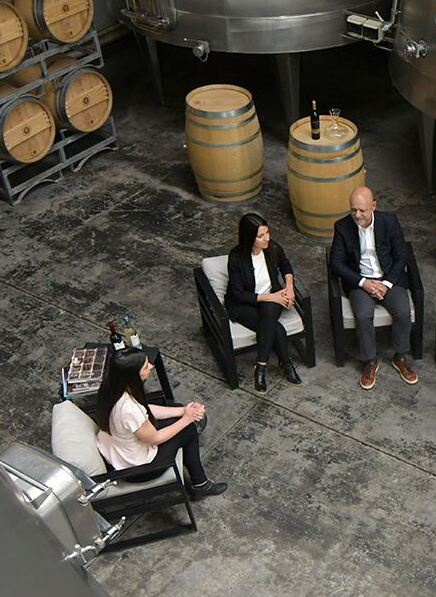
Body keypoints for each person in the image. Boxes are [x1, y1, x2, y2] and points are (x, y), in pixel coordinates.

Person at [94, 347, 226, 498]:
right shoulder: (127, 409)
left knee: (176, 410)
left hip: (120, 450)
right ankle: (201, 484)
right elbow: (154, 438)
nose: (151, 366)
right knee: (189, 429)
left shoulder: (111, 388)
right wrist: (187, 419)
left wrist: (182, 411)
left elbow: (145, 409)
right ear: (133, 375)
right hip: (137, 469)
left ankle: (198, 479)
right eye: (145, 366)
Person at [329, 186, 419, 390]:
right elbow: (336, 263)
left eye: (362, 210)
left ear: (374, 206)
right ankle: (370, 361)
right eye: (353, 210)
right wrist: (364, 283)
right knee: (362, 315)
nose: (357, 215)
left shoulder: (389, 222)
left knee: (403, 312)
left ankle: (400, 356)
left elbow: (401, 256)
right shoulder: (342, 227)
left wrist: (386, 284)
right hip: (360, 282)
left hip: (388, 279)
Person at [225, 212, 303, 394]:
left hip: (270, 301)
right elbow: (237, 294)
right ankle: (285, 363)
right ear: (249, 238)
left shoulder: (272, 248)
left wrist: (289, 287)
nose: (267, 238)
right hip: (244, 304)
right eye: (261, 236)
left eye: (267, 233)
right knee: (277, 329)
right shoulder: (236, 258)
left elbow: (286, 265)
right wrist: (272, 297)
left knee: (269, 310)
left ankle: (261, 367)